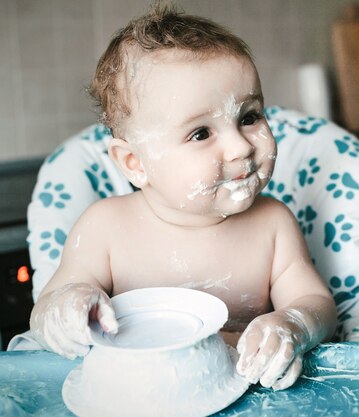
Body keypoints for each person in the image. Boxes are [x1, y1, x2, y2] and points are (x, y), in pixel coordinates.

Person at [27, 4, 337, 391]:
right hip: (135, 394)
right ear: (135, 163)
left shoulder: (273, 223)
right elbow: (45, 310)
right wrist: (68, 306)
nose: (240, 147)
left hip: (242, 390)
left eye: (249, 116)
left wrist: (293, 324)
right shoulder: (104, 228)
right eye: (201, 133)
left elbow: (317, 303)